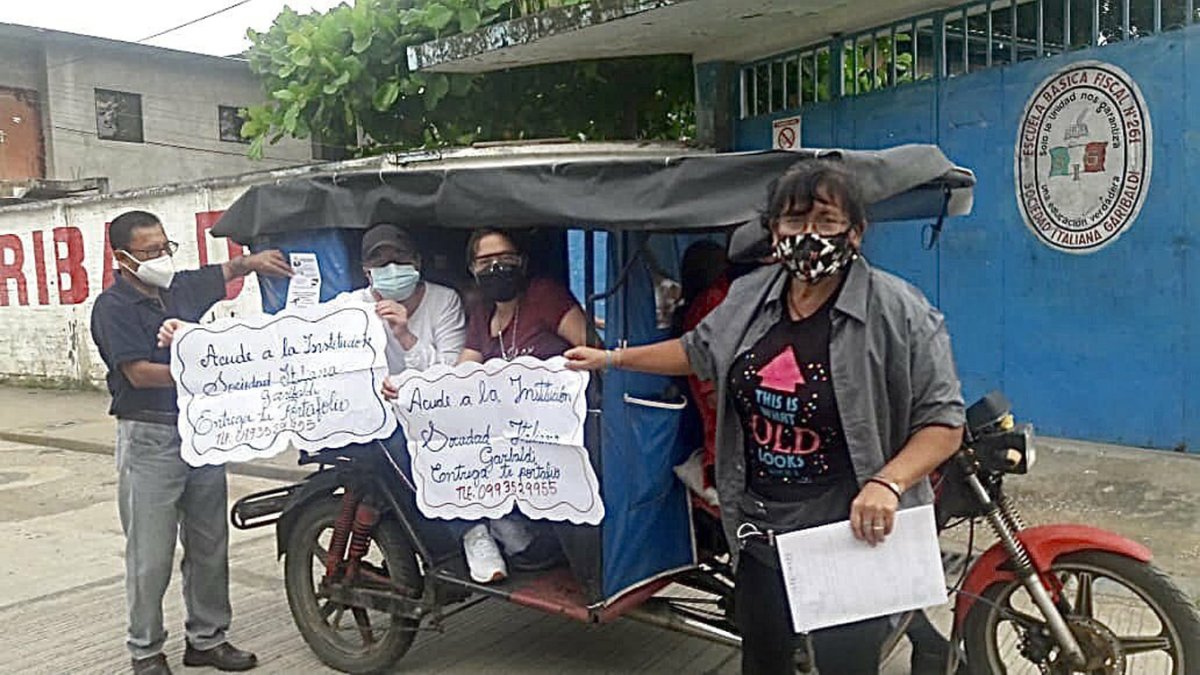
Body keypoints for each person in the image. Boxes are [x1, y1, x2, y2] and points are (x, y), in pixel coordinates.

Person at [564, 160, 965, 675]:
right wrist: (614, 360)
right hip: (759, 523)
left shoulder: (900, 310)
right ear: (774, 232)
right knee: (763, 658)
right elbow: (698, 351)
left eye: (825, 220)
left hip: (847, 526)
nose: (808, 235)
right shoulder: (751, 297)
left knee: (847, 663)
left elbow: (944, 423)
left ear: (856, 231)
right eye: (793, 221)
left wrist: (887, 484)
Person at [90, 210, 292, 675]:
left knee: (208, 544)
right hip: (150, 436)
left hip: (202, 433)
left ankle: (207, 639)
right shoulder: (113, 307)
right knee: (151, 554)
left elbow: (221, 272)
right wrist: (212, 374)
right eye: (149, 251)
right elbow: (138, 374)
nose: (161, 257)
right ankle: (145, 650)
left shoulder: (177, 288)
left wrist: (254, 261)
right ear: (123, 258)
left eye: (165, 247)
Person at [457, 228, 590, 583]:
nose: (496, 267)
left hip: (556, 426)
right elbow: (464, 370)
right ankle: (490, 528)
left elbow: (588, 344)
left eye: (505, 259)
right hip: (506, 431)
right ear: (473, 269)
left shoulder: (543, 296)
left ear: (522, 262)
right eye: (486, 262)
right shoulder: (482, 314)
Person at [344, 223, 466, 374]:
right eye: (381, 263)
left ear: (417, 262)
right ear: (366, 272)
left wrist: (405, 336)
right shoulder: (351, 305)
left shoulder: (444, 300)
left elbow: (453, 372)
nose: (392, 269)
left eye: (400, 259)